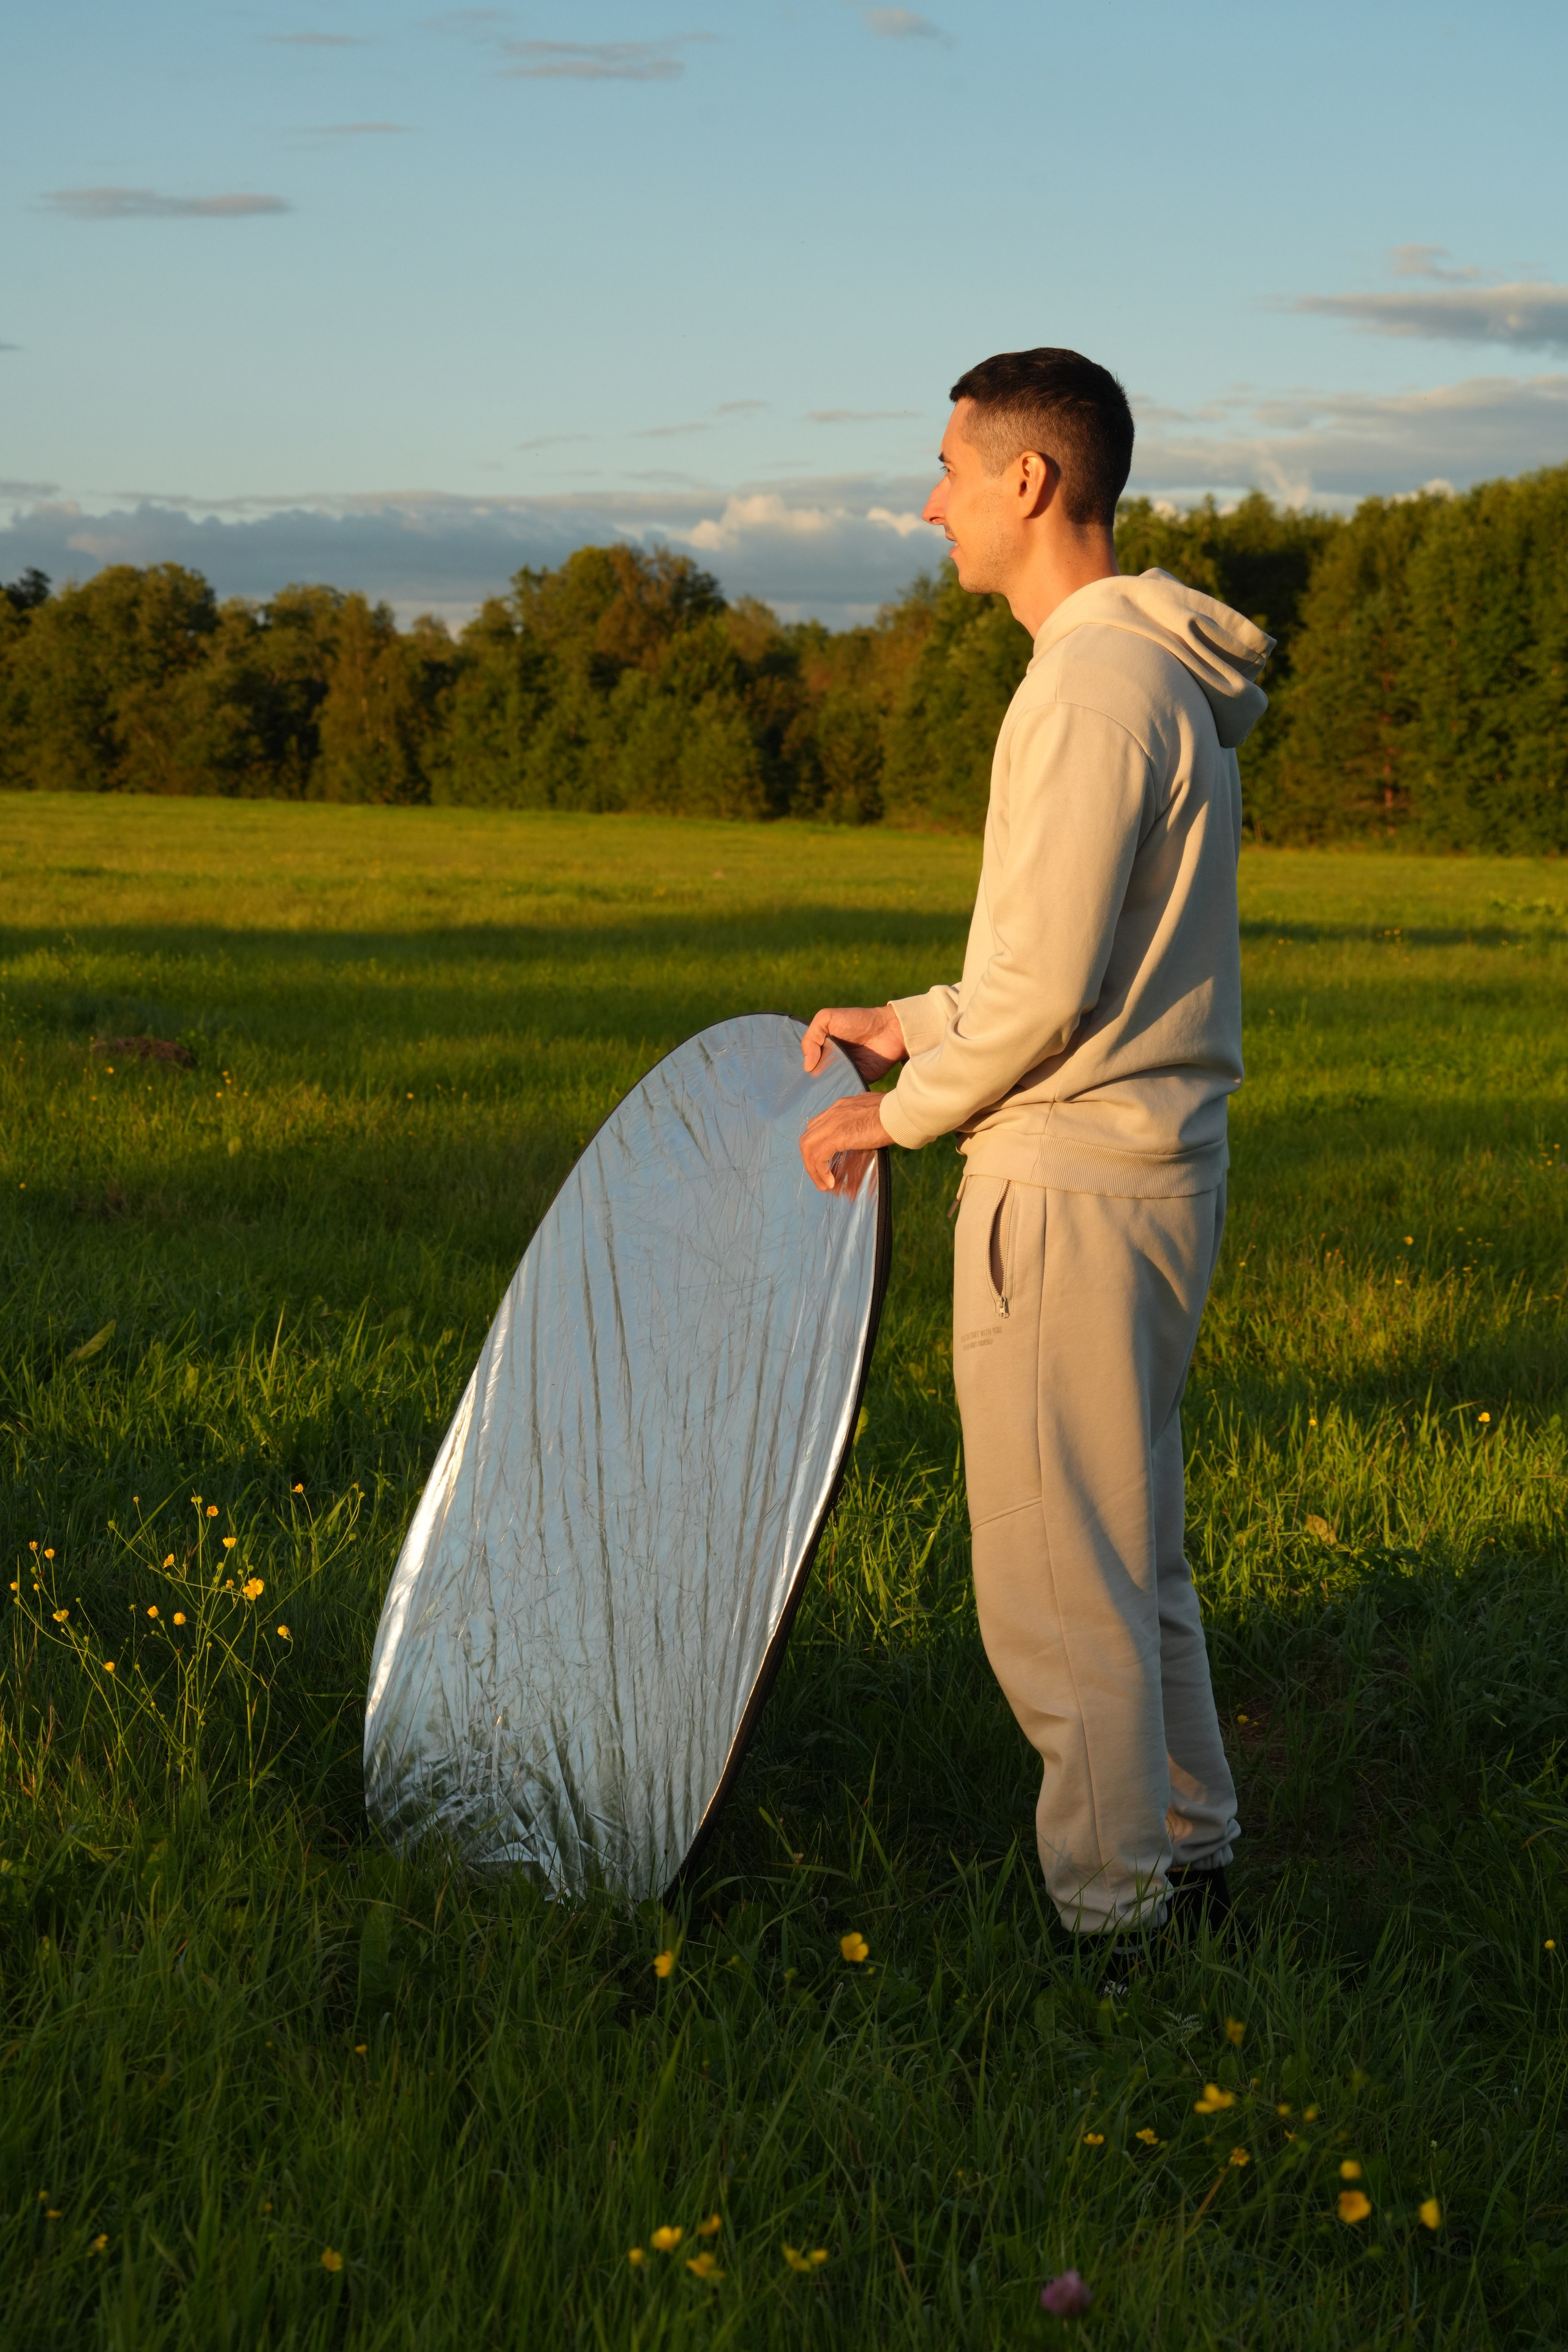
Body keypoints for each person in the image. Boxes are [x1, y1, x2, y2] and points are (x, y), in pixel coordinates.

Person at [798, 347, 1273, 1953]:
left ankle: (1116, 1933)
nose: (929, 500)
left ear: (1030, 481)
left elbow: (1056, 990)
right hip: (1146, 1178)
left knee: (1058, 1589)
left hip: (1068, 1190)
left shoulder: (1087, 683)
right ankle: (1193, 1862)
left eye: (949, 466)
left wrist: (902, 1111)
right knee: (1129, 1553)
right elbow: (1049, 960)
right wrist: (915, 1018)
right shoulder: (1140, 676)